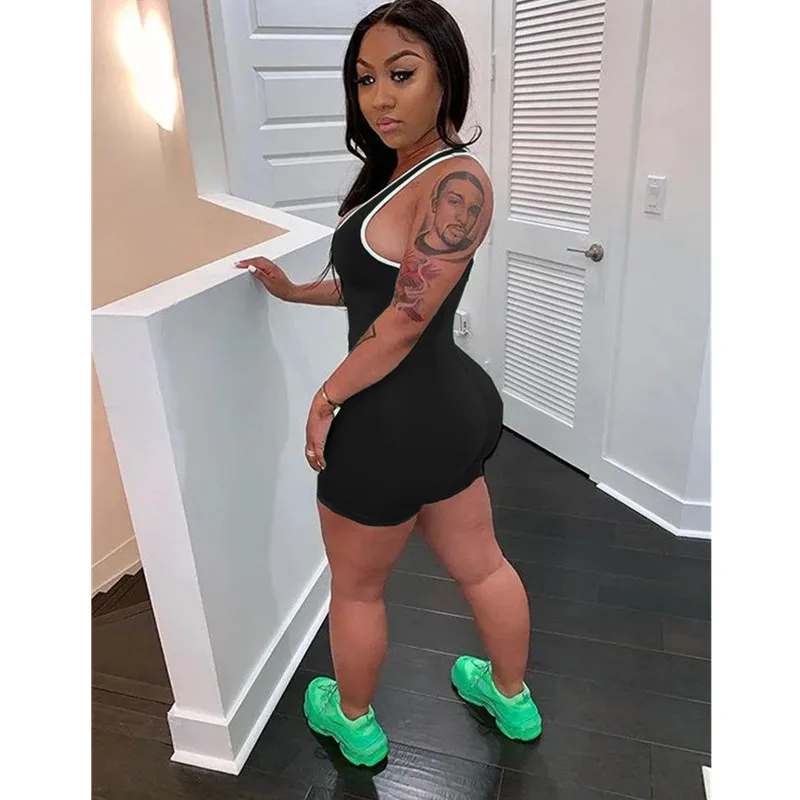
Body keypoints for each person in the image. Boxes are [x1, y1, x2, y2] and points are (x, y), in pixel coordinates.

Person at [236, 0, 541, 768]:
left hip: (385, 423)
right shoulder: (399, 173)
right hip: (449, 412)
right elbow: (381, 289)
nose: (380, 98)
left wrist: (325, 398)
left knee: (358, 590)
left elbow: (405, 319)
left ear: (447, 75)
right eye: (366, 79)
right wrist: (295, 291)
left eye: (401, 74)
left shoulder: (458, 180)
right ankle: (511, 698)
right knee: (484, 565)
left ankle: (354, 722)